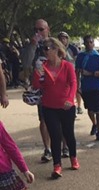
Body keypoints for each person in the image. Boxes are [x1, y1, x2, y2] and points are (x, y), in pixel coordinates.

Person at [32, 37, 78, 178]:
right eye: (43, 49)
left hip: (66, 106)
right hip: (49, 106)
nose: (45, 51)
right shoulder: (42, 66)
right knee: (55, 135)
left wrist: (70, 99)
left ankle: (73, 157)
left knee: (68, 133)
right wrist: (37, 74)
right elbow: (36, 86)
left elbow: (73, 83)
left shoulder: (67, 65)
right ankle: (57, 165)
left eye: (47, 48)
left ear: (56, 49)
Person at [76, 35, 99, 141]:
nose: (89, 44)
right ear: (84, 44)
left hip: (97, 86)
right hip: (85, 86)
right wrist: (77, 85)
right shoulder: (81, 56)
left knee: (98, 109)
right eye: (87, 42)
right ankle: (94, 124)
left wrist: (92, 73)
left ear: (93, 43)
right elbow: (77, 71)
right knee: (90, 109)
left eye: (91, 42)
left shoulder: (98, 57)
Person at [31, 19, 52, 162]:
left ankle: (64, 146)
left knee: (60, 119)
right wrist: (32, 45)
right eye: (36, 29)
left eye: (41, 29)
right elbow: (26, 62)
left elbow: (68, 63)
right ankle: (47, 149)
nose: (38, 32)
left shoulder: (55, 44)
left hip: (57, 88)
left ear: (48, 29)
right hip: (41, 89)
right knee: (43, 119)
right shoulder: (33, 46)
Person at [57, 31, 82, 114]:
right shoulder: (56, 48)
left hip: (73, 70)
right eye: (61, 38)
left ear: (67, 39)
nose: (62, 40)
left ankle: (79, 106)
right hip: (61, 71)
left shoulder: (72, 48)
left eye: (64, 38)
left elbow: (77, 59)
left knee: (76, 88)